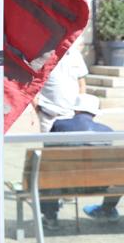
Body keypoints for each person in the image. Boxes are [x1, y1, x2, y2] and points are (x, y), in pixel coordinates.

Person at [40, 94, 121, 229]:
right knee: (118, 175)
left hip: (64, 183)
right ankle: (107, 210)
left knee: (48, 171)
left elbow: (48, 153)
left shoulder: (60, 125)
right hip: (100, 184)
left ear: (75, 110)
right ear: (94, 113)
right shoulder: (107, 131)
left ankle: (50, 217)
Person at [34, 44, 88, 133]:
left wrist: (79, 109)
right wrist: (39, 112)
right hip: (49, 116)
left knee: (69, 146)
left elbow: (81, 84)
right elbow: (32, 86)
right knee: (50, 146)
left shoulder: (75, 54)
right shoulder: (42, 56)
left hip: (71, 115)